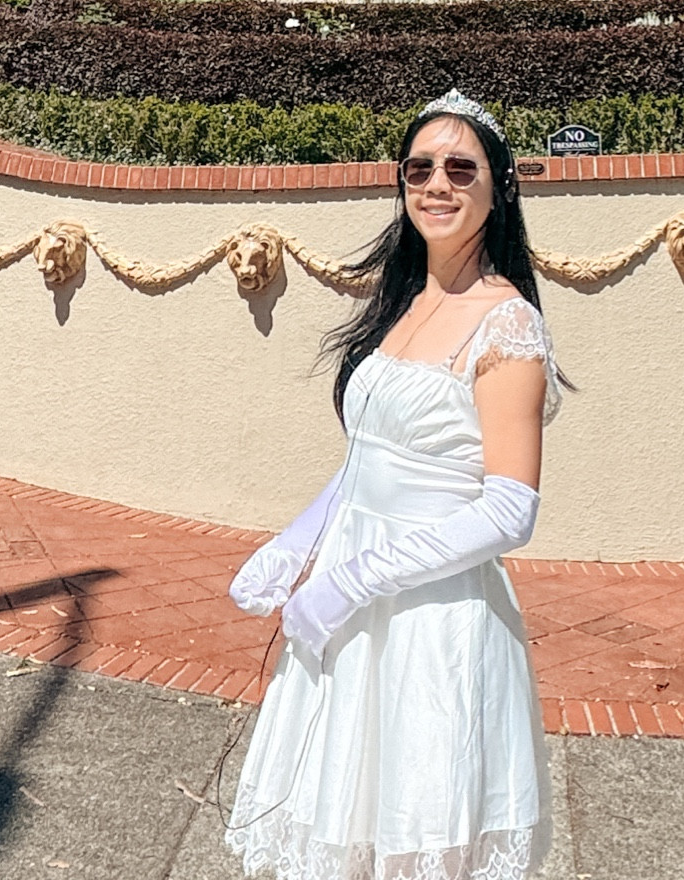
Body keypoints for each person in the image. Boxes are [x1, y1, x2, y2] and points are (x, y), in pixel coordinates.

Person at [226, 88, 563, 880]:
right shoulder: (406, 299)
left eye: (459, 168)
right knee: (344, 807)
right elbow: (368, 457)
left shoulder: (506, 323)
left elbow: (511, 510)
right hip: (350, 592)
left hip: (429, 608)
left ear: (499, 186)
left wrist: (353, 580)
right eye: (419, 168)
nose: (436, 184)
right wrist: (297, 542)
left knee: (415, 812)